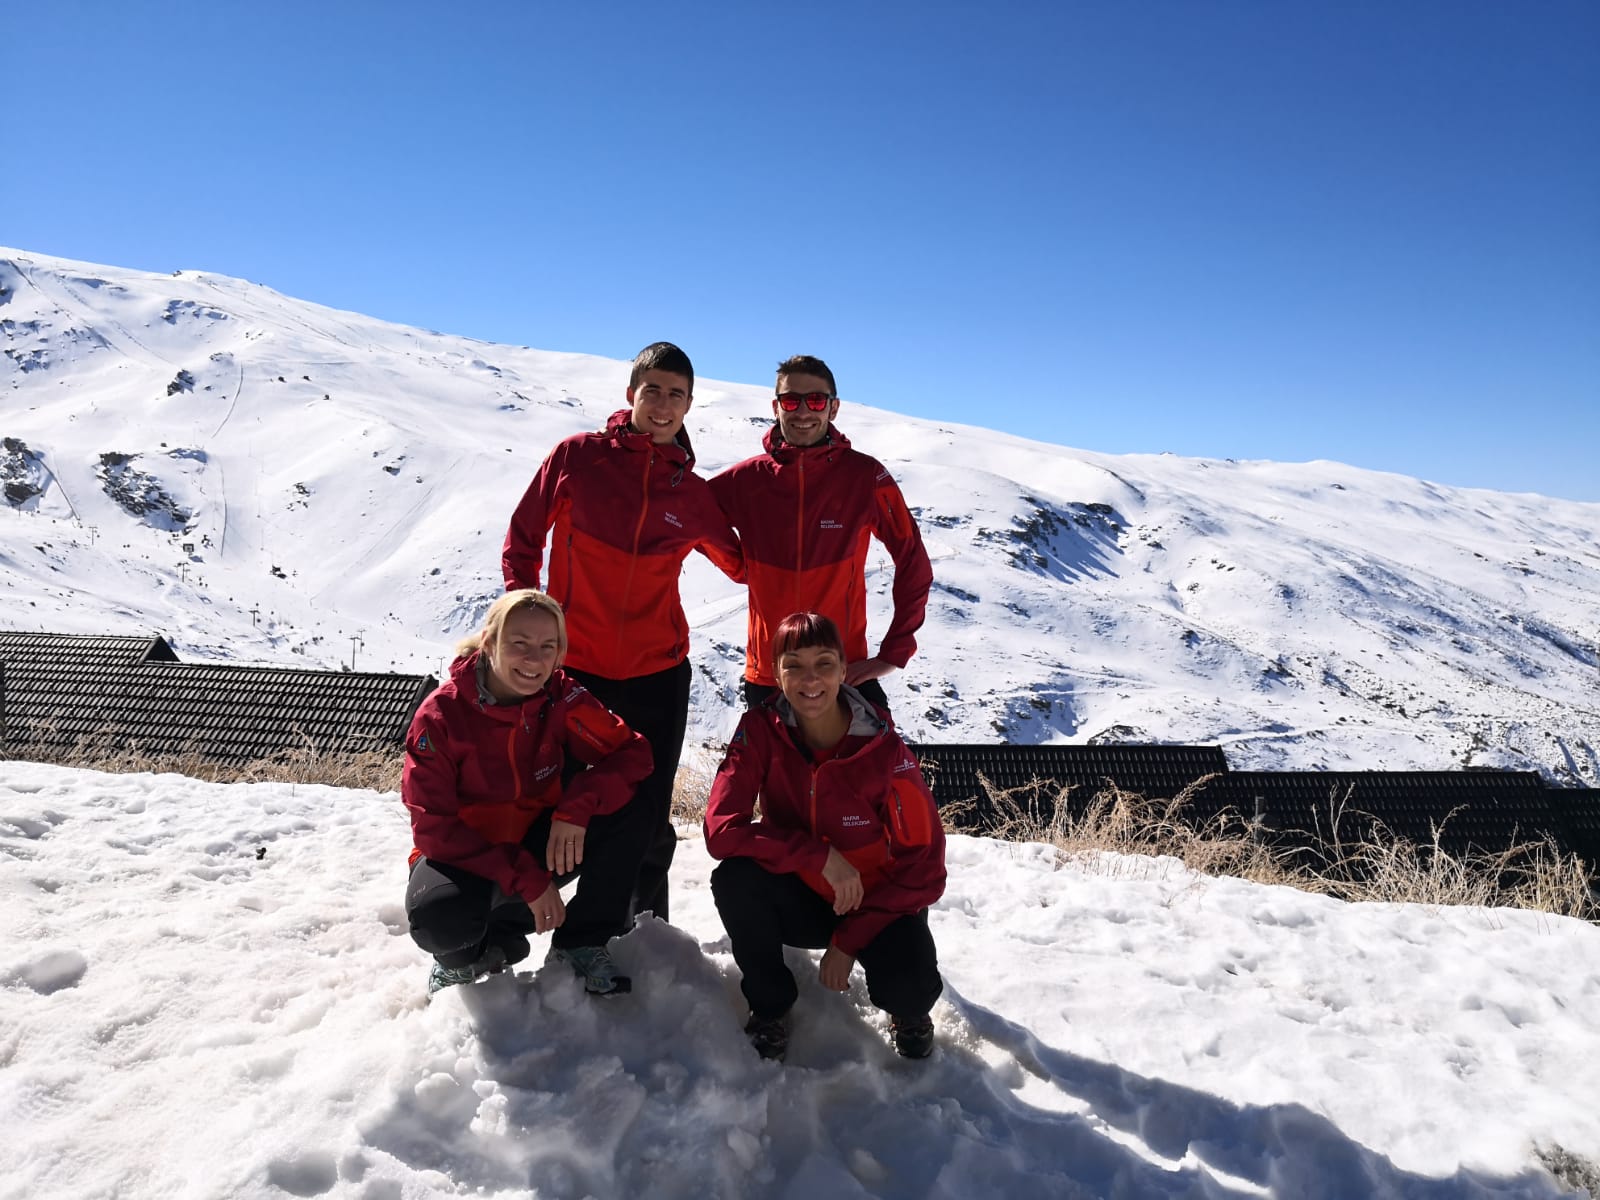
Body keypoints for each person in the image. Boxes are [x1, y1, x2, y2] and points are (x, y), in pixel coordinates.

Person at [502, 341, 743, 923]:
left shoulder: (690, 492)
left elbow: (741, 565)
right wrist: (525, 613)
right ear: (631, 393)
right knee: (551, 797)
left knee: (648, 810)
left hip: (657, 672)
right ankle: (521, 917)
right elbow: (524, 535)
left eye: (676, 395)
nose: (663, 404)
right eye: (653, 390)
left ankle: (643, 929)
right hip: (573, 668)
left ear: (689, 407)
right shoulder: (578, 457)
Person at [704, 612, 946, 1062]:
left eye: (825, 663)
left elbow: (926, 871)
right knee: (735, 879)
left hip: (875, 902)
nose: (809, 679)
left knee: (909, 987)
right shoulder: (760, 731)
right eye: (793, 665)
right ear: (774, 673)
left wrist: (848, 939)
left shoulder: (884, 751)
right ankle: (770, 1007)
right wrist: (817, 856)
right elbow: (721, 831)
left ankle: (907, 1010)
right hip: (803, 891)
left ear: (843, 669)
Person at [403, 589, 654, 996]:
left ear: (559, 655)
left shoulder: (560, 695)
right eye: (519, 644)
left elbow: (634, 752)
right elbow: (434, 830)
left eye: (547, 647)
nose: (534, 660)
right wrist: (526, 876)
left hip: (539, 839)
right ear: (489, 643)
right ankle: (462, 961)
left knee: (634, 806)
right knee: (441, 919)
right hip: (465, 856)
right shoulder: (440, 715)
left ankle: (582, 941)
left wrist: (578, 803)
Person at [709, 355, 932, 713]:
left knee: (874, 769)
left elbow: (913, 560)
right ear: (775, 407)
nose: (802, 412)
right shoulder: (746, 480)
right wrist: (739, 565)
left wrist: (894, 653)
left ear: (834, 407)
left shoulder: (865, 477)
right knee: (768, 772)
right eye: (790, 401)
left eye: (815, 400)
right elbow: (689, 514)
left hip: (842, 674)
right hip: (769, 677)